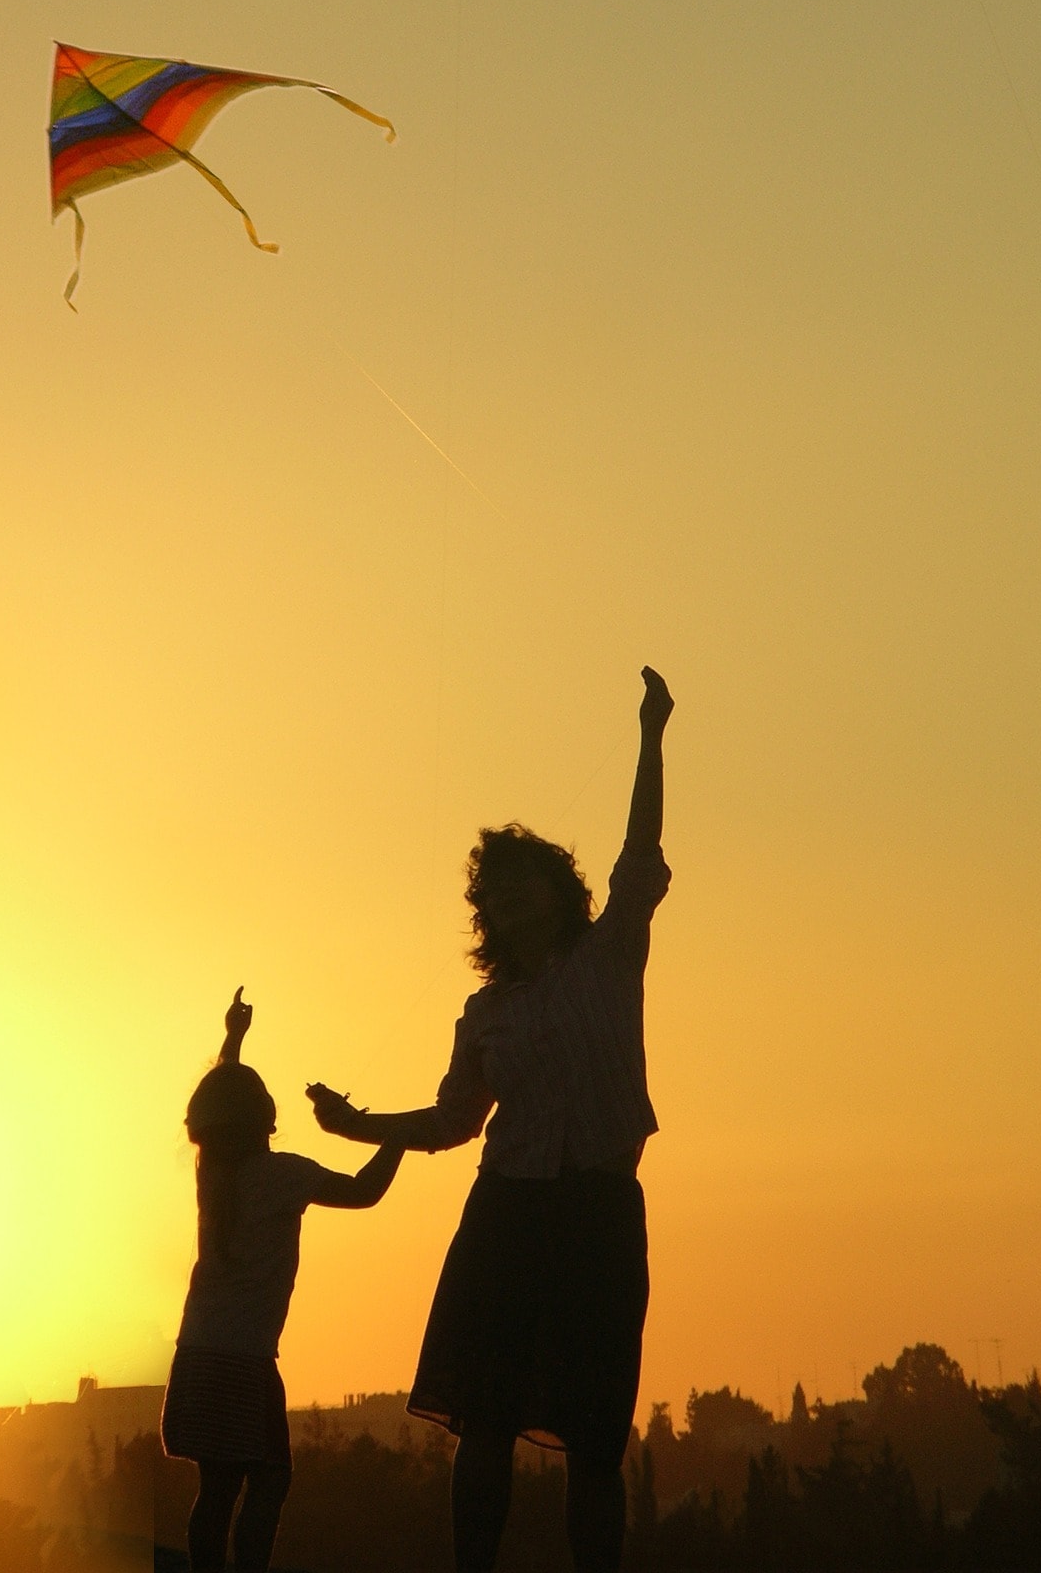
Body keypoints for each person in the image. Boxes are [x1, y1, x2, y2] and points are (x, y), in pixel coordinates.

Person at [308, 665, 674, 1573]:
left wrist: (650, 735)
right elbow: (451, 1121)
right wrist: (359, 1129)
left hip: (595, 1214)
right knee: (484, 1423)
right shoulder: (484, 1013)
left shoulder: (609, 954)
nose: (504, 894)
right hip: (503, 1219)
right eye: (492, 888)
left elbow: (639, 850)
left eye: (520, 879)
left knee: (594, 1434)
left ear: (557, 889)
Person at [162, 988, 406, 1573]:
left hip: (197, 1358)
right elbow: (365, 1192)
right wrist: (402, 1133)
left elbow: (224, 1101)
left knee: (216, 1491)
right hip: (245, 1363)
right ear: (267, 1119)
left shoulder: (212, 1176)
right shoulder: (284, 1175)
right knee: (270, 1480)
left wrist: (234, 1039)